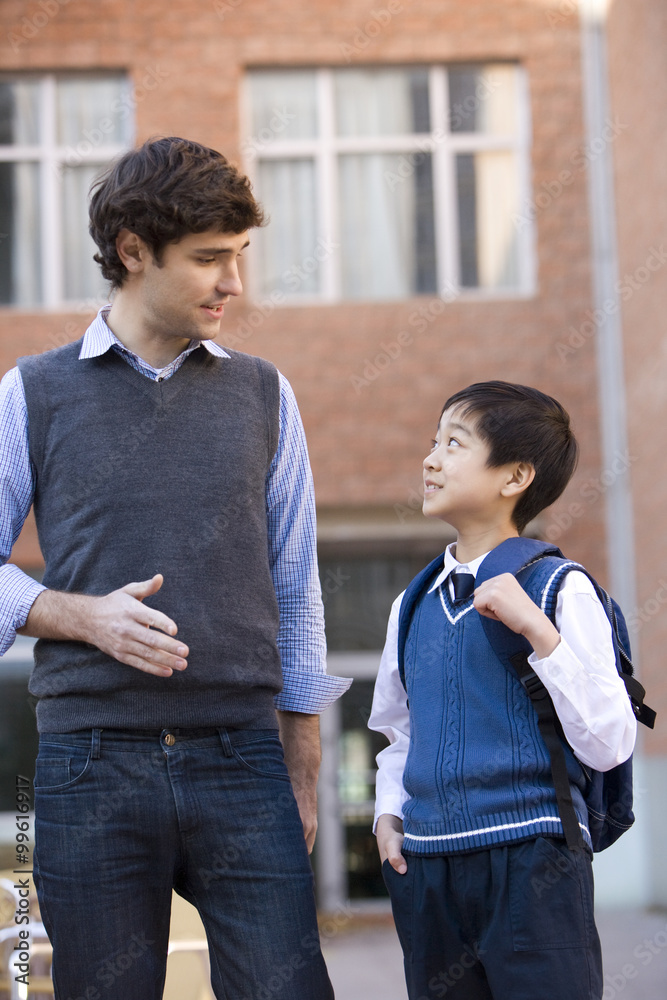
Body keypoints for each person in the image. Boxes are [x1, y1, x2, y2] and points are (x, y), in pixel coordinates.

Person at [0, 136, 350, 1000]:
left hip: (243, 760)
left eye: (238, 256)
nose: (234, 282)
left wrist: (301, 769)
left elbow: (295, 583)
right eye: (209, 259)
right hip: (88, 765)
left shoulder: (265, 393)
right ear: (132, 252)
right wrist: (80, 615)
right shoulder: (33, 393)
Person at [368, 381, 637, 1000]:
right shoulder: (411, 605)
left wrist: (539, 632)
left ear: (515, 476)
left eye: (454, 444)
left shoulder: (560, 589)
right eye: (433, 443)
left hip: (532, 863)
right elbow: (401, 732)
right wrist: (387, 817)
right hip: (428, 870)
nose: (431, 459)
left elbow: (610, 742)